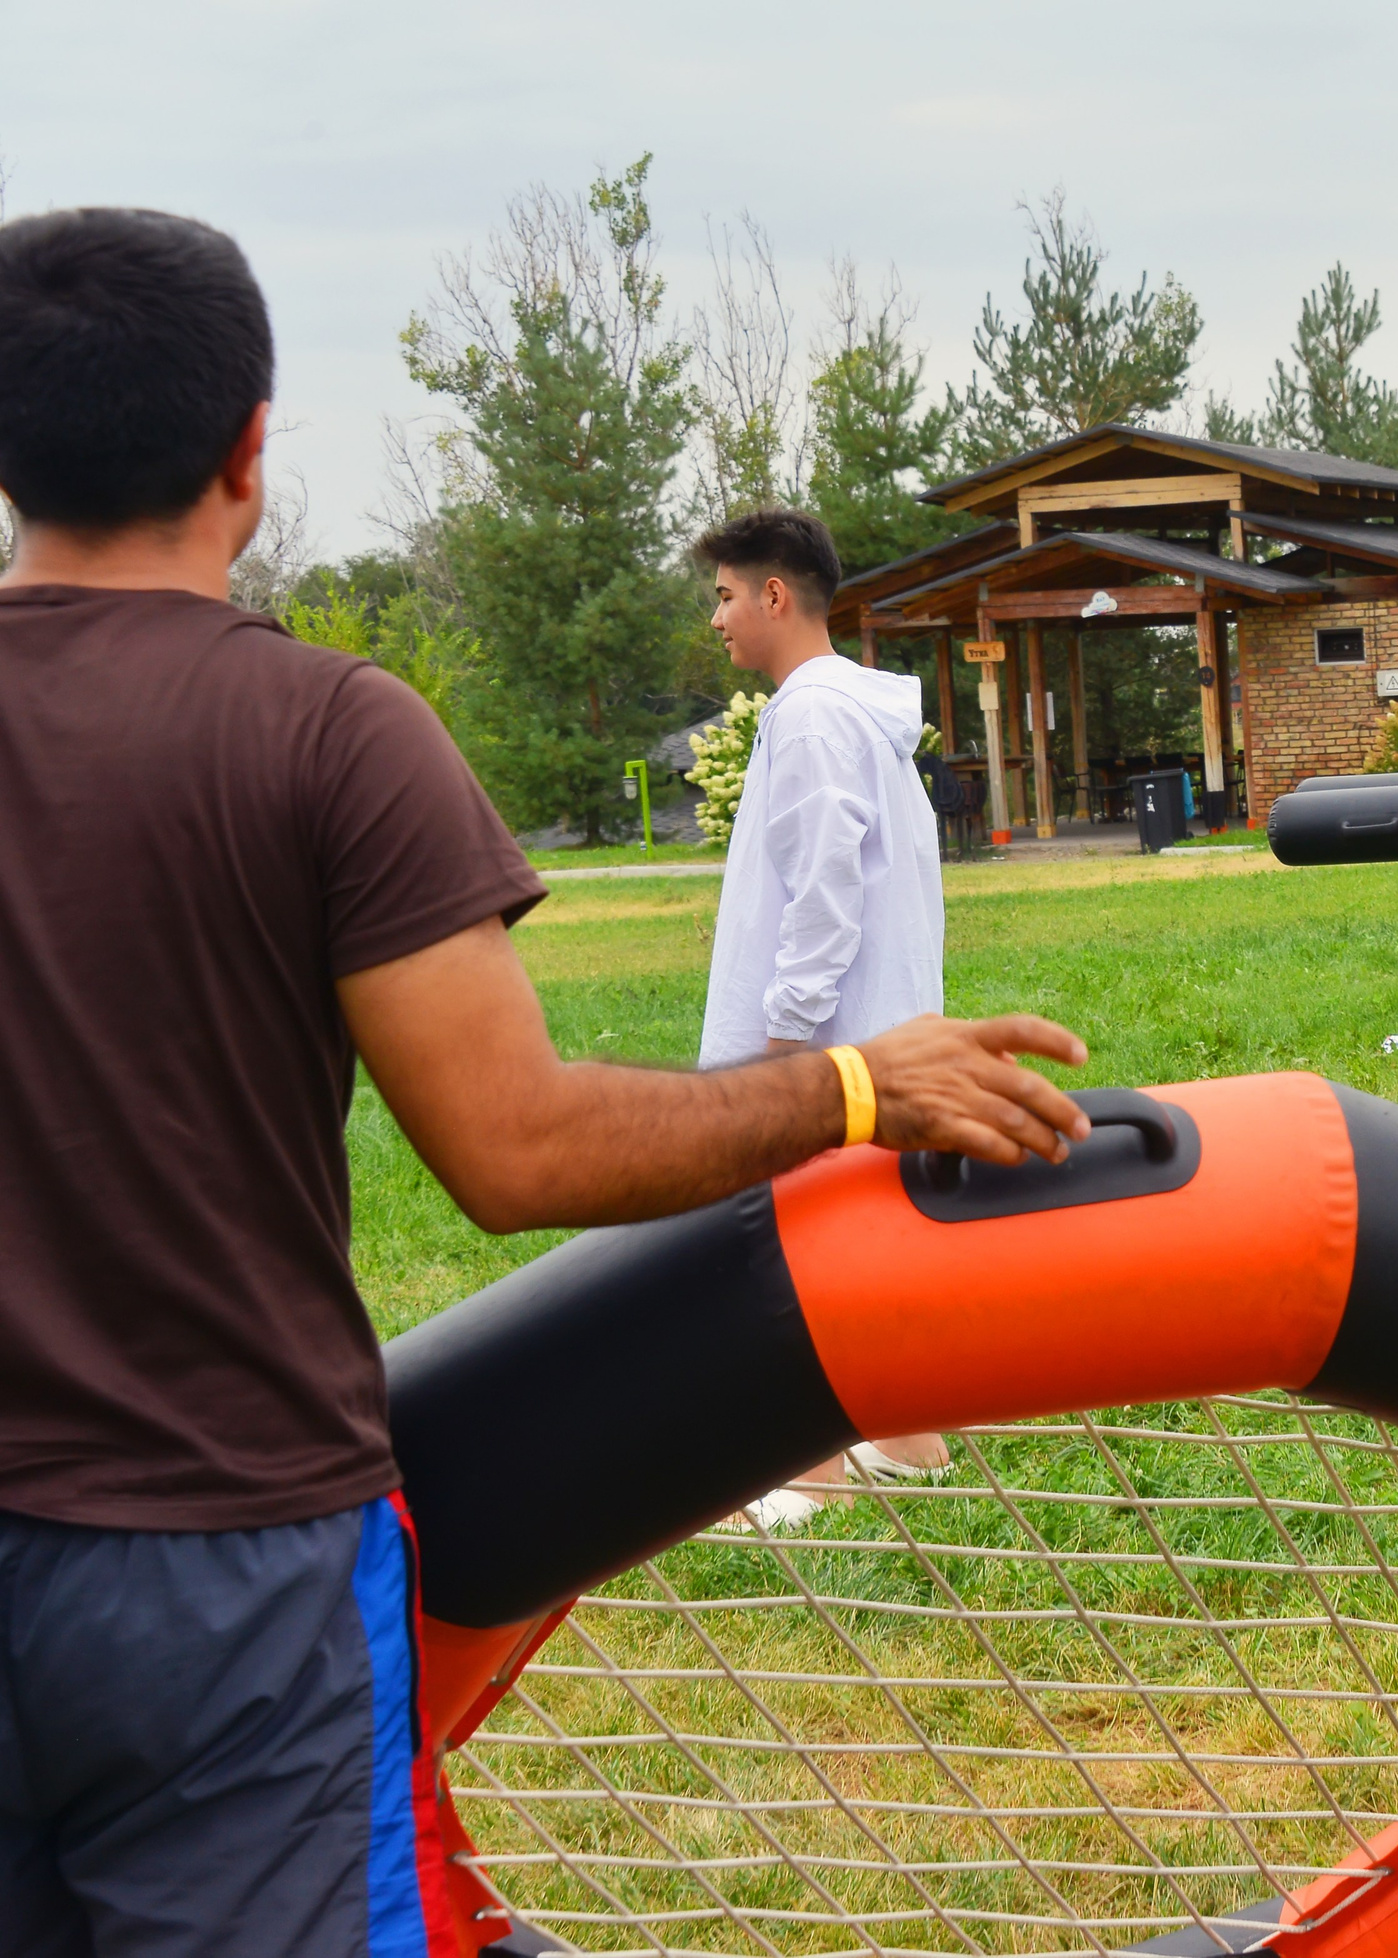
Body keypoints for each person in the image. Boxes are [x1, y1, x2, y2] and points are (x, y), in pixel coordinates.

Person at [0, 206, 1093, 1955]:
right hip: (222, 1552)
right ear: (251, 450)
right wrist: (855, 1089)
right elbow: (517, 1146)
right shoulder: (323, 729)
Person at [695, 507, 958, 1503]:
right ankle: (909, 1442)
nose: (717, 618)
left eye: (725, 595)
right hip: (877, 1038)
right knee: (870, 1243)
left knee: (801, 1253)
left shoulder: (810, 713)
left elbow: (823, 893)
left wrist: (782, 1046)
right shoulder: (852, 712)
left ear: (774, 594)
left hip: (826, 1048)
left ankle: (811, 1478)